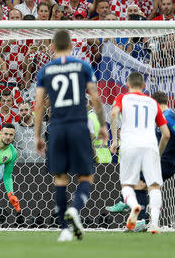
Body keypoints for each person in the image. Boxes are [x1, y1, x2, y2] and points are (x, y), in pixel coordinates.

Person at [34, 30, 108, 242]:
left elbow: (39, 104)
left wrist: (37, 135)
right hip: (78, 125)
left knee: (60, 178)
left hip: (56, 127)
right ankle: (75, 209)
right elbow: (95, 96)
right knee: (86, 176)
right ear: (72, 46)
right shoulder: (83, 66)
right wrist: (103, 125)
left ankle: (64, 229)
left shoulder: (46, 70)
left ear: (52, 47)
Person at [107, 91, 175, 231]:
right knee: (141, 184)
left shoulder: (168, 116)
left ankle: (132, 209)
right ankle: (141, 220)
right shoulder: (169, 114)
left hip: (166, 161)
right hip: (165, 161)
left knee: (138, 181)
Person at [109, 72, 170, 234]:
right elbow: (166, 134)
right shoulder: (152, 102)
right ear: (144, 86)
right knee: (154, 186)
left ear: (127, 85)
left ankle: (133, 205)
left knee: (127, 184)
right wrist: (158, 152)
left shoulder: (123, 98)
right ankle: (155, 224)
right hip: (150, 146)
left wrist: (114, 140)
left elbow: (113, 113)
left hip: (130, 145)